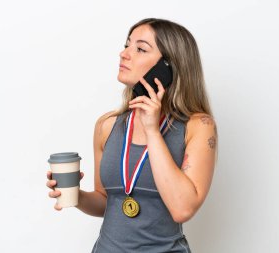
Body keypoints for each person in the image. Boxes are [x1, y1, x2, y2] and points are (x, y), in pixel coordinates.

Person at [46, 17, 217, 253]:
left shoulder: (199, 125)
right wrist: (75, 196)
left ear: (167, 67)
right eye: (127, 45)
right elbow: (106, 201)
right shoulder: (107, 126)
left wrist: (152, 130)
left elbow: (182, 209)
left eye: (140, 49)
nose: (124, 54)